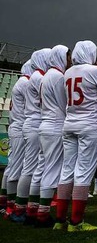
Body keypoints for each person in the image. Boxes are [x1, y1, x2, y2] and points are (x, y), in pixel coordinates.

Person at [56, 41, 97, 231]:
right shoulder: (95, 71)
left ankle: (59, 219)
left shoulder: (68, 72)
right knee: (84, 171)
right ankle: (76, 221)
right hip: (90, 123)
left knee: (67, 169)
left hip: (70, 121)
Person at [12, 48, 51, 224]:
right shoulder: (37, 78)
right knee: (31, 168)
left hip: (31, 123)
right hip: (35, 122)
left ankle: (23, 206)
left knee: (30, 167)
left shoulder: (32, 78)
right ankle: (21, 208)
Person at [35, 45, 71, 227]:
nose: (69, 59)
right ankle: (42, 213)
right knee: (53, 168)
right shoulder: (57, 76)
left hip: (45, 124)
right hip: (55, 124)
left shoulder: (46, 76)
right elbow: (65, 102)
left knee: (43, 167)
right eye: (67, 56)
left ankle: (35, 208)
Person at [1, 61, 34, 218]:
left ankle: (5, 202)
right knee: (17, 168)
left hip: (17, 126)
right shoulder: (25, 82)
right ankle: (13, 207)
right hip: (21, 126)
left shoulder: (21, 82)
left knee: (12, 166)